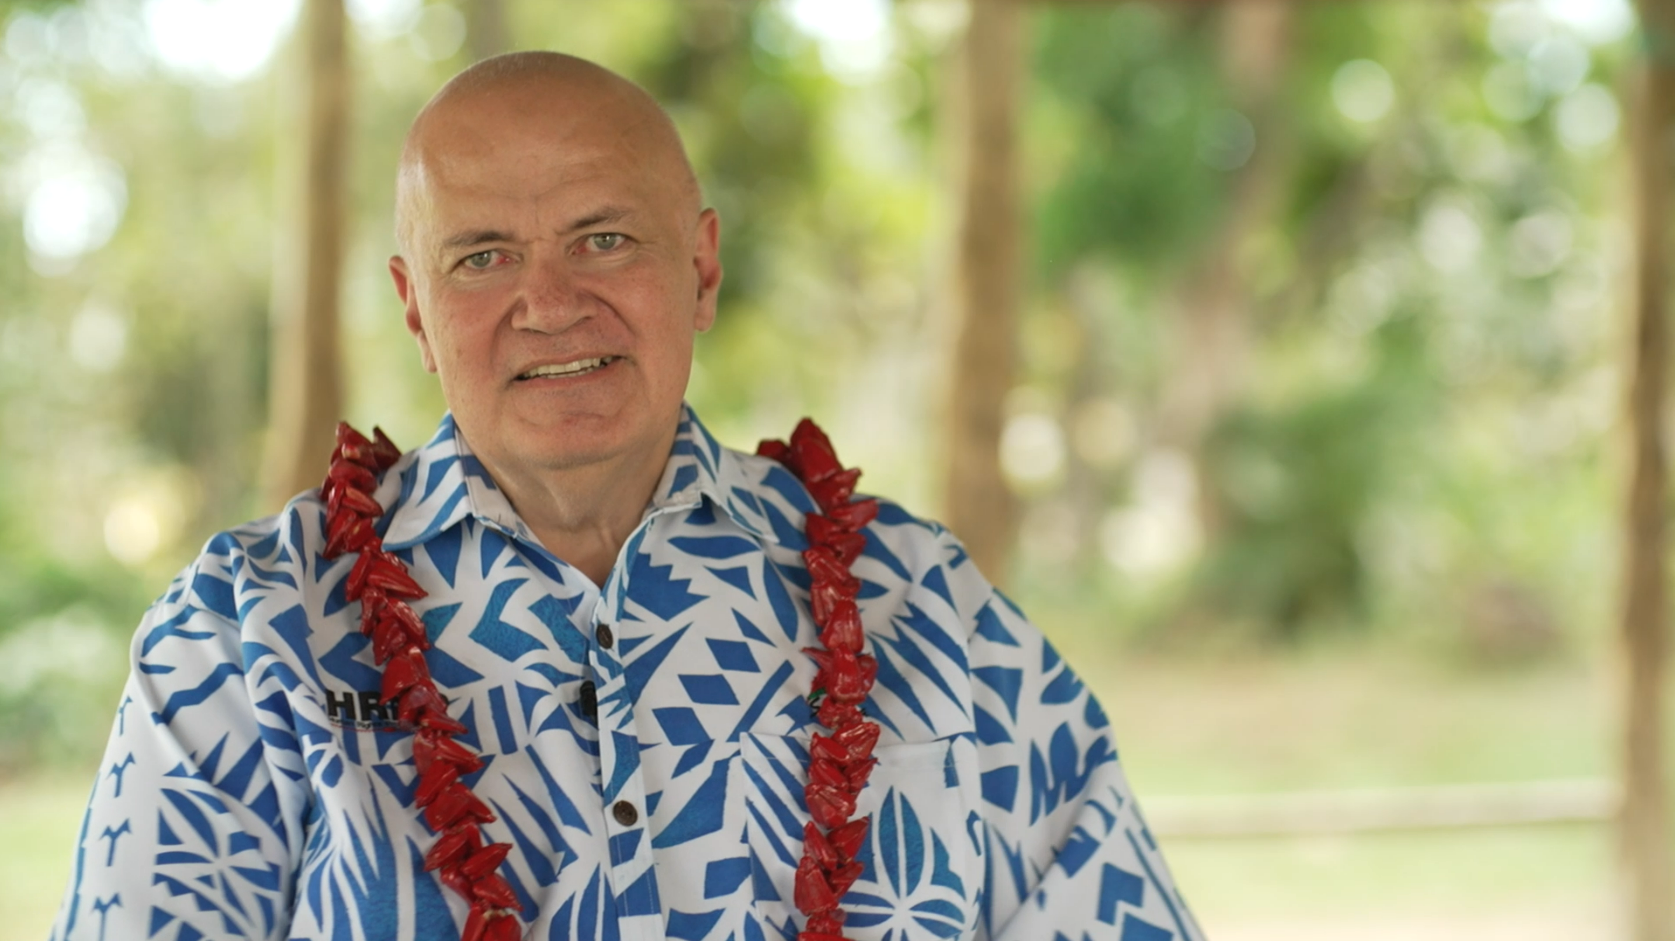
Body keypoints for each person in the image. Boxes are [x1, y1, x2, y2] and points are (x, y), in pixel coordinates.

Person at [51, 52, 1202, 941]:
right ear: (415, 309)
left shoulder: (925, 608)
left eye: (603, 239)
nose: (550, 304)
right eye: (482, 256)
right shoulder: (247, 632)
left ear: (700, 268)